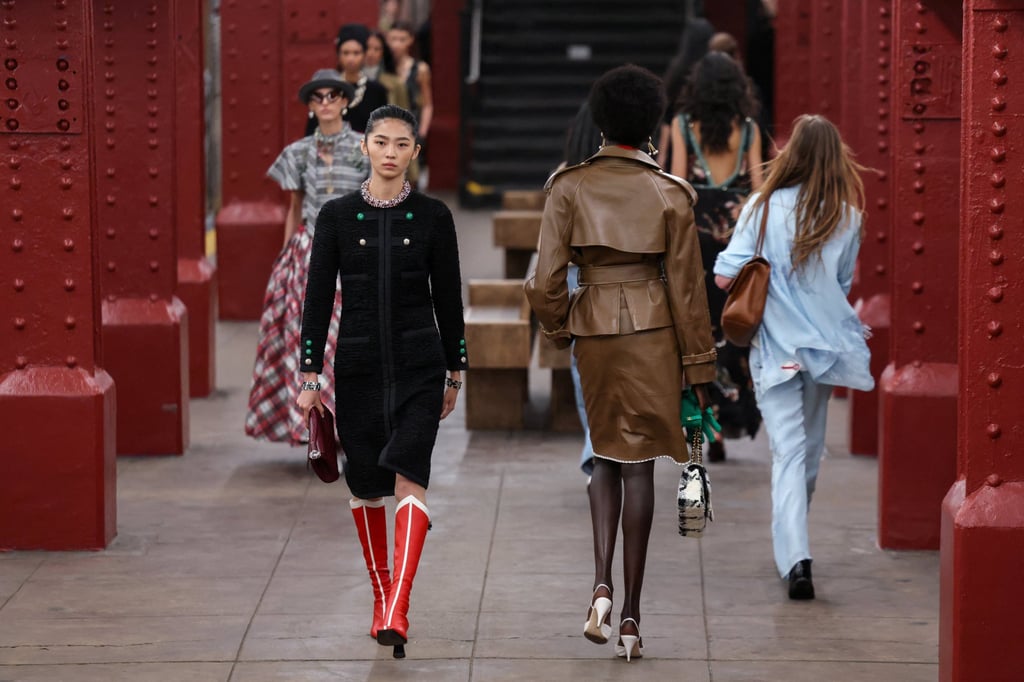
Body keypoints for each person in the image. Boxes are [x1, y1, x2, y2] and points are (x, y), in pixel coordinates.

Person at [525, 65, 717, 662]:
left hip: (595, 326)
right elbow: (689, 291)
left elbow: (545, 279)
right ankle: (632, 615)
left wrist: (560, 327)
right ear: (653, 124)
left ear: (601, 122)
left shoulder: (568, 185)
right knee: (641, 468)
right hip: (657, 331)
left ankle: (600, 582)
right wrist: (701, 370)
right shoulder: (672, 192)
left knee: (604, 449)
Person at [298, 105, 468, 656]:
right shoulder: (337, 217)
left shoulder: (436, 217)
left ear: (415, 152)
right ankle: (381, 595)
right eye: (381, 142)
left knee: (411, 478)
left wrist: (455, 370)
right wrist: (309, 375)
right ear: (364, 149)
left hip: (420, 364)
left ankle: (400, 604)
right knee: (367, 486)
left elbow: (449, 298)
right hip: (359, 366)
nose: (391, 152)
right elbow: (318, 298)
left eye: (402, 143)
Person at [713, 114, 873, 600]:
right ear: (835, 157)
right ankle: (794, 549)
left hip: (776, 349)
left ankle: (796, 557)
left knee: (787, 450)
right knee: (808, 452)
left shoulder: (761, 208)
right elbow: (843, 286)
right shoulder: (848, 217)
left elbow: (724, 276)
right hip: (825, 349)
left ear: (791, 153)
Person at [245, 70, 368, 444]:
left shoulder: (366, 148)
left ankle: (354, 425)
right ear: (311, 106)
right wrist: (286, 257)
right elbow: (294, 207)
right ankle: (317, 428)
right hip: (310, 255)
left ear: (346, 102)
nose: (326, 102)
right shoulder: (297, 154)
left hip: (355, 256)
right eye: (318, 97)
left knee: (350, 342)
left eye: (334, 95)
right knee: (313, 343)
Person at [671, 51, 764, 461]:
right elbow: (759, 187)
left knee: (698, 337)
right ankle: (732, 415)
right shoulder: (748, 129)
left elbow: (676, 185)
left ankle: (707, 430)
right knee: (732, 331)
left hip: (696, 238)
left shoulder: (680, 127)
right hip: (736, 237)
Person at [305, 24, 389, 137]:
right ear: (338, 55)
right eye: (346, 53)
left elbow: (383, 130)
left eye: (356, 53)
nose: (351, 59)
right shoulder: (327, 88)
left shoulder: (377, 90)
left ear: (364, 54)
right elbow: (312, 129)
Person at [658, 17, 714, 170]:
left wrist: (662, 156)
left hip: (678, 141)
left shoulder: (676, 72)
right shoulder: (711, 73)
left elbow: (667, 119)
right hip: (707, 139)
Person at [386, 21, 433, 144]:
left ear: (410, 40)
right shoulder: (383, 68)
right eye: (393, 39)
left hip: (410, 128)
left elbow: (427, 104)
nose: (396, 44)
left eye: (402, 40)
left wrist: (422, 134)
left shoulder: (420, 68)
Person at [365, 31, 411, 111]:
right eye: (367, 48)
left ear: (383, 52)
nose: (370, 53)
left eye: (377, 49)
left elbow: (404, 116)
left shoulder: (396, 83)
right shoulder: (350, 79)